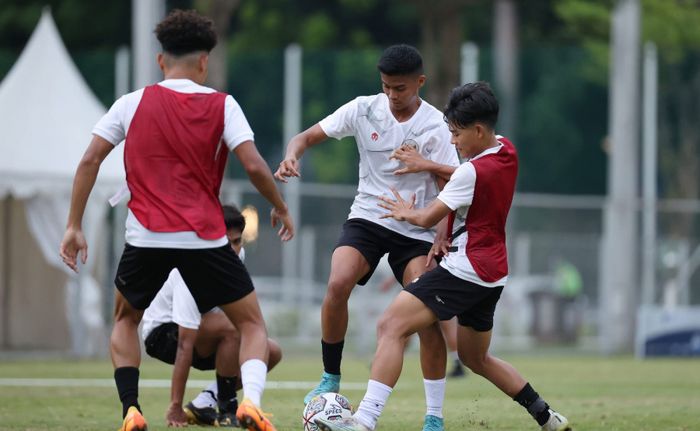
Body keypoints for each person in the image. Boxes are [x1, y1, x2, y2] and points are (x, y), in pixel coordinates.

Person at [59, 10, 292, 431]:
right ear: (205, 61)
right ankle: (250, 403)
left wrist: (74, 224)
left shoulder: (131, 103)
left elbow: (90, 159)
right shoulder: (224, 105)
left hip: (145, 236)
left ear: (160, 60)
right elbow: (256, 166)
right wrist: (279, 205)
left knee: (126, 319)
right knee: (252, 323)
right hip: (204, 238)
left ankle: (131, 409)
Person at [314, 82, 571, 431]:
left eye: (457, 134)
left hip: (465, 269)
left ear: (478, 130)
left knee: (389, 325)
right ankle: (546, 415)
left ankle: (364, 421)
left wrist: (406, 211)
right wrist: (428, 164)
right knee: (475, 358)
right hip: (493, 274)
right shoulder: (506, 151)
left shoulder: (468, 173)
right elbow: (463, 176)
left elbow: (427, 217)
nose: (452, 142)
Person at [275, 44, 460, 431]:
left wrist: (441, 233)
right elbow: (305, 137)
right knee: (338, 281)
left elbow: (450, 185)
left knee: (425, 317)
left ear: (420, 83)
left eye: (401, 88)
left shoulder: (436, 124)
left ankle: (434, 417)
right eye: (386, 87)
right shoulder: (363, 108)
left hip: (417, 227)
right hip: (369, 218)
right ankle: (330, 378)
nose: (392, 95)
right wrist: (293, 155)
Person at [141, 205, 283, 427]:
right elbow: (184, 344)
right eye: (227, 242)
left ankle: (204, 402)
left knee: (269, 350)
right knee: (236, 327)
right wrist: (175, 405)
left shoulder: (237, 258)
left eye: (237, 242)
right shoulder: (190, 268)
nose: (234, 249)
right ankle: (228, 407)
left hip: (202, 333)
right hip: (162, 335)